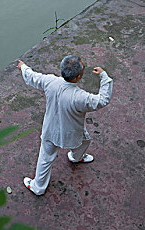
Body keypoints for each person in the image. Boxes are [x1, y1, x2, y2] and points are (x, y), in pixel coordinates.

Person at [16, 55, 113, 196]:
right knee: (84, 141)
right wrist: (104, 76)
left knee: (45, 158)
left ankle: (38, 187)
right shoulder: (81, 97)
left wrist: (23, 67)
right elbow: (102, 100)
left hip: (50, 129)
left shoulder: (50, 81)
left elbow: (33, 77)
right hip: (72, 131)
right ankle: (76, 157)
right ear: (79, 76)